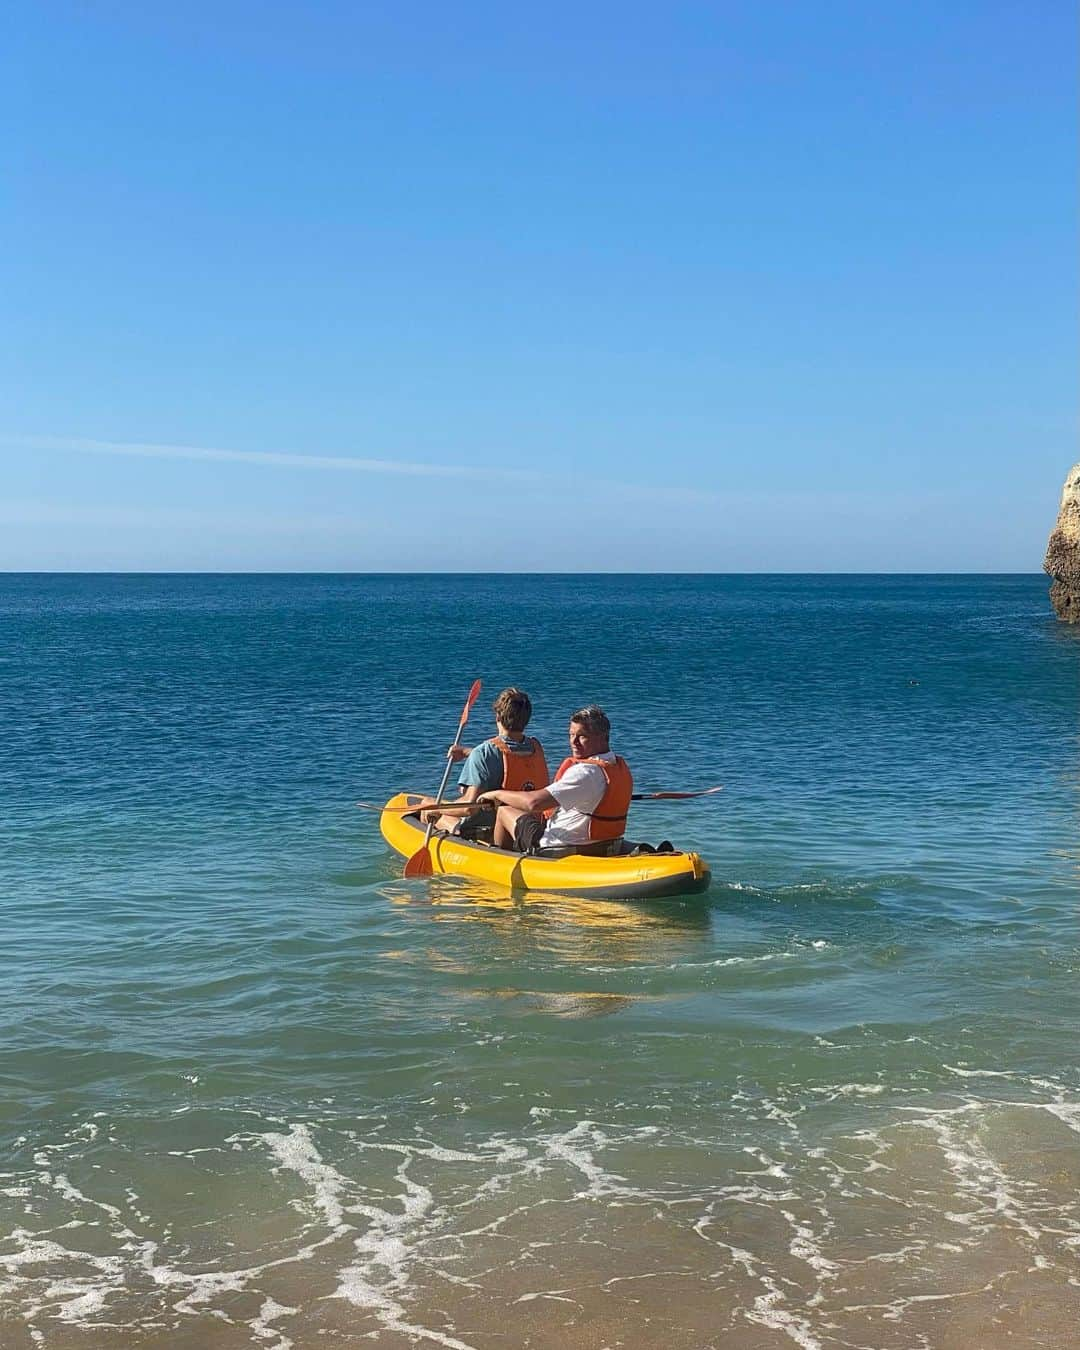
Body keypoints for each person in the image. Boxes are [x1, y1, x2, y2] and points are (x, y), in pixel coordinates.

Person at [477, 704, 633, 855]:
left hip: (559, 848)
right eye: (571, 735)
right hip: (604, 845)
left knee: (505, 810)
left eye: (582, 736)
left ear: (603, 737)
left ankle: (501, 860)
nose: (573, 742)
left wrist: (496, 794)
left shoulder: (586, 772)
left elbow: (534, 803)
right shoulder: (616, 765)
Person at [417, 687, 548, 836]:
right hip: (526, 824)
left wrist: (436, 808)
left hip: (488, 830)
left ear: (498, 716)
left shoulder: (484, 752)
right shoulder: (536, 747)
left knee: (426, 803)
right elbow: (509, 755)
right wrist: (468, 753)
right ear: (526, 719)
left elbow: (469, 808)